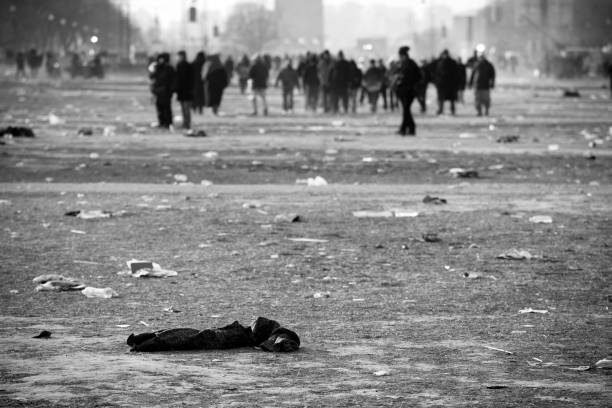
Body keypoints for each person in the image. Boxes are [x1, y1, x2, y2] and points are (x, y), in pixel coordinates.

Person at [392, 46, 422, 136]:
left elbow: (416, 77)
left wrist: (404, 79)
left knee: (406, 110)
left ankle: (407, 128)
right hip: (404, 90)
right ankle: (407, 128)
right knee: (406, 110)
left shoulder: (410, 64)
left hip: (409, 91)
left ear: (404, 56)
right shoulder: (404, 64)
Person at [150, 52, 175, 129]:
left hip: (166, 91)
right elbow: (152, 77)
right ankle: (162, 122)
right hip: (158, 91)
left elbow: (172, 80)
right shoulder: (157, 67)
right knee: (159, 107)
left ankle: (168, 123)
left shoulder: (169, 68)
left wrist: (171, 90)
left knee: (167, 108)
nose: (161, 60)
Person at [468, 51, 496, 116]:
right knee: (477, 100)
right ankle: (479, 111)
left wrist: (492, 83)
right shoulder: (476, 65)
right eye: (480, 57)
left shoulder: (489, 65)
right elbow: (472, 75)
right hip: (477, 85)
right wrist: (470, 83)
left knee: (486, 100)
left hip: (486, 85)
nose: (481, 58)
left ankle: (486, 110)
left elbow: (492, 75)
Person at [434, 50, 459, 115]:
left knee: (449, 98)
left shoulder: (445, 62)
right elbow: (437, 73)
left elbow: (456, 73)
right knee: (445, 98)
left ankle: (448, 109)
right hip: (445, 83)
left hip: (448, 83)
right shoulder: (442, 62)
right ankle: (442, 109)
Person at [175, 50, 194, 129]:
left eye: (179, 56)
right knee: (183, 109)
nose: (178, 58)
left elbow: (190, 79)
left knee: (186, 109)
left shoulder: (187, 66)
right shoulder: (179, 65)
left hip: (186, 91)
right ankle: (185, 123)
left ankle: (187, 123)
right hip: (182, 91)